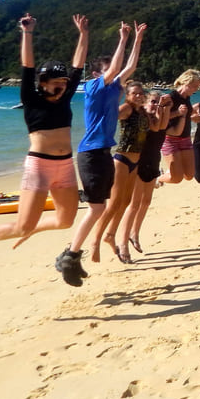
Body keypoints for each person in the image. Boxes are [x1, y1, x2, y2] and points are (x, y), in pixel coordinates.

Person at [0, 13, 88, 260]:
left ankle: (31, 229)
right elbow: (27, 66)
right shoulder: (30, 99)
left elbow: (78, 67)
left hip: (65, 165)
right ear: (43, 82)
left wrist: (83, 34)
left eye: (64, 82)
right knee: (22, 226)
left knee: (65, 221)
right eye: (57, 82)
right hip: (39, 167)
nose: (63, 86)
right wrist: (27, 32)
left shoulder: (65, 97)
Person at [56, 21, 146, 286]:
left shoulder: (115, 89)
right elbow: (118, 67)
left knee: (99, 206)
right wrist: (123, 37)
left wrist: (137, 39)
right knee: (97, 207)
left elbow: (128, 68)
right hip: (90, 153)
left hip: (103, 152)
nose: (114, 75)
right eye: (107, 71)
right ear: (97, 73)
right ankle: (70, 256)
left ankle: (72, 254)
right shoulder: (93, 87)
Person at [91, 80, 154, 263]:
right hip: (122, 160)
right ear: (127, 95)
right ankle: (96, 240)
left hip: (136, 161)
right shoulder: (126, 108)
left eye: (140, 93)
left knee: (125, 202)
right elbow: (108, 117)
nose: (138, 96)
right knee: (114, 203)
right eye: (134, 93)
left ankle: (110, 234)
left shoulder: (143, 112)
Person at [117, 90, 171, 261]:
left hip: (153, 161)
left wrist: (166, 107)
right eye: (153, 101)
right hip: (138, 163)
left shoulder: (158, 119)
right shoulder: (143, 119)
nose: (155, 104)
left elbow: (162, 127)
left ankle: (134, 234)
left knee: (145, 202)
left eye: (157, 102)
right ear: (145, 103)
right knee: (134, 204)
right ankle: (123, 243)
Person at [159, 69, 200, 183]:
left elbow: (183, 115)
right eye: (194, 86)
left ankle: (168, 172)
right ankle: (156, 178)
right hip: (170, 139)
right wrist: (177, 113)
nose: (196, 89)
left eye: (197, 86)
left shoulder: (186, 98)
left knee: (189, 175)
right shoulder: (171, 97)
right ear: (186, 83)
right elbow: (160, 118)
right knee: (177, 178)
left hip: (186, 138)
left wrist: (192, 117)